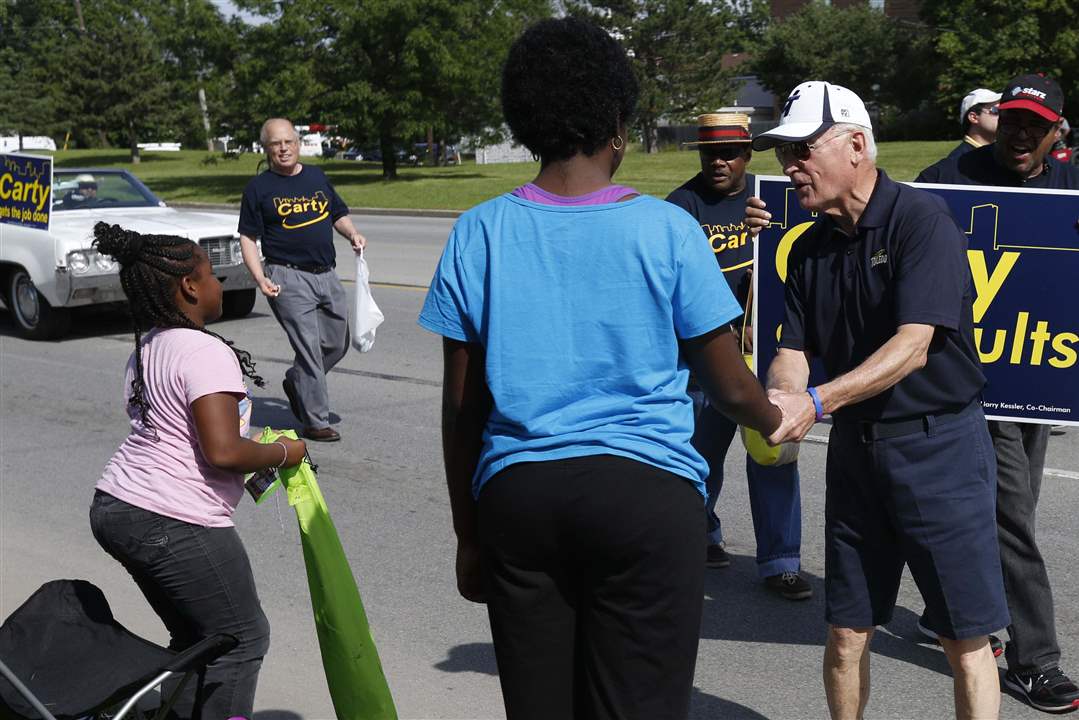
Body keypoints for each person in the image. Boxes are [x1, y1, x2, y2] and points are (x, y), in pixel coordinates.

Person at [419, 18, 783, 720]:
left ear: (525, 120)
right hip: (645, 501)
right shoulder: (667, 228)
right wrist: (780, 417)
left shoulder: (478, 230)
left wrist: (469, 535)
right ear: (617, 121)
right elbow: (730, 385)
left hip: (519, 501)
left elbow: (461, 409)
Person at [745, 80, 1010, 720]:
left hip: (939, 449)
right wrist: (782, 397)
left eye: (803, 150)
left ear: (857, 145)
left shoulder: (922, 221)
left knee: (964, 641)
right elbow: (793, 348)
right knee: (845, 633)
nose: (790, 165)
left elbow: (914, 345)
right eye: (784, 153)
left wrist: (816, 402)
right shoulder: (808, 249)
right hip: (857, 452)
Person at [88, 222, 308, 718]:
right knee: (241, 639)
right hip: (170, 516)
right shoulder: (206, 351)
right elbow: (223, 452)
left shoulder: (149, 346)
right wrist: (285, 453)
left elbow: (183, 434)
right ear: (189, 286)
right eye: (212, 275)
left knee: (198, 639)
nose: (219, 284)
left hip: (117, 505)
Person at [917, 73, 1079, 715]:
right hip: (964, 376)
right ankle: (1035, 662)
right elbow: (877, 222)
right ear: (995, 121)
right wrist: (777, 218)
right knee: (1012, 515)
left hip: (1040, 375)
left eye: (1035, 126)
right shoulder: (948, 178)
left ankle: (954, 603)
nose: (1020, 134)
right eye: (1012, 120)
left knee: (1014, 506)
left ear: (1055, 132)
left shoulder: (1069, 184)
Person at [666, 112, 810, 600]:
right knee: (697, 456)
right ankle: (701, 534)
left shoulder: (770, 203)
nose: (719, 162)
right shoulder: (681, 206)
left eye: (729, 153)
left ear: (748, 154)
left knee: (773, 455)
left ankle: (781, 562)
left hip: (763, 356)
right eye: (710, 154)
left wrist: (763, 234)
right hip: (702, 359)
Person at [238, 117, 368, 442]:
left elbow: (337, 213)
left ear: (297, 143)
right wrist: (260, 278)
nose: (283, 148)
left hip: (326, 273)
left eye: (288, 142)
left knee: (336, 344)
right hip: (286, 276)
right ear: (266, 149)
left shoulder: (316, 176)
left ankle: (298, 380)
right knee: (309, 348)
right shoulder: (258, 188)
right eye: (276, 144)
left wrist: (352, 233)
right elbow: (248, 238)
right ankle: (315, 421)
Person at [949, 88, 1001, 159]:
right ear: (973, 117)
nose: (1003, 115)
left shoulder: (1003, 155)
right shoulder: (959, 161)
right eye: (996, 110)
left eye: (1004, 110)